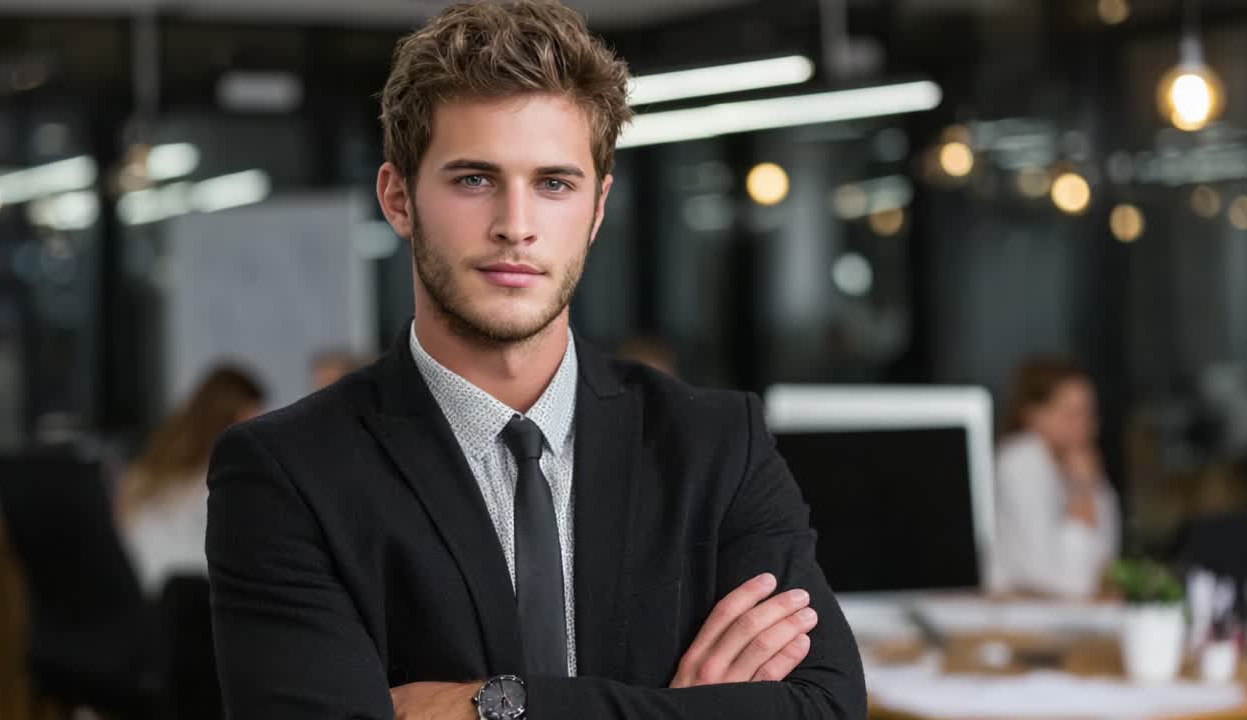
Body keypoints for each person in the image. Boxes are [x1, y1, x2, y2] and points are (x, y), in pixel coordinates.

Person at [205, 3, 865, 719]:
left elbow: (826, 708)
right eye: (473, 179)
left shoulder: (716, 447)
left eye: (554, 183)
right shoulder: (286, 473)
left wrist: (497, 706)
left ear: (598, 207)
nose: (515, 226)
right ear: (399, 199)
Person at [117, 365, 264, 596]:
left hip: (146, 599)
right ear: (234, 414)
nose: (259, 426)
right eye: (254, 414)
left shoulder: (155, 462)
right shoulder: (224, 474)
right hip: (190, 602)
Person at [992, 355, 1120, 599]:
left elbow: (1106, 565)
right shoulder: (1021, 460)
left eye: (1089, 414)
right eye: (1071, 414)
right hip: (1023, 617)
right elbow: (1069, 581)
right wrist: (1082, 493)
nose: (1085, 425)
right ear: (1033, 415)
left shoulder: (1080, 463)